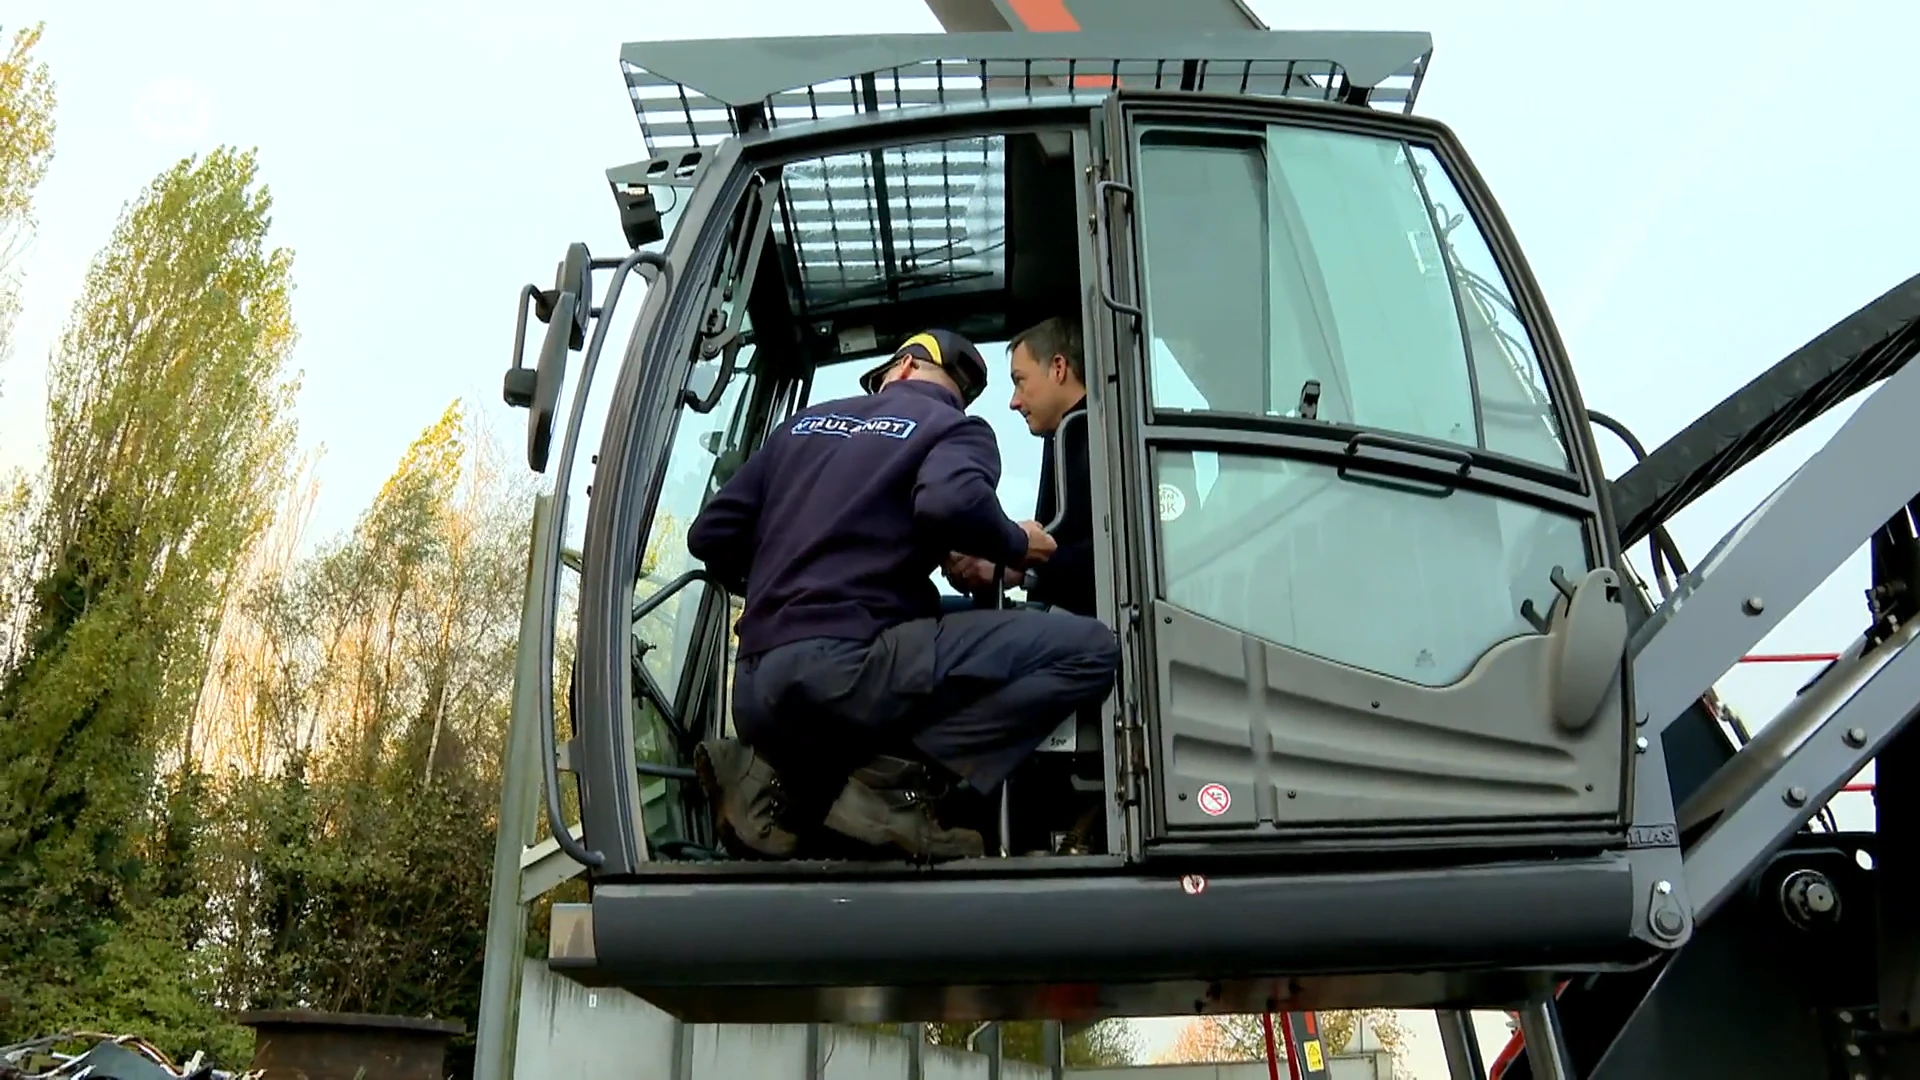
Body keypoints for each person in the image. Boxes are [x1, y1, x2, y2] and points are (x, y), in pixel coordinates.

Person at [685, 329, 1121, 863]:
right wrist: (1014, 545)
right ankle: (900, 794)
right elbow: (948, 502)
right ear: (920, 374)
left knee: (938, 622)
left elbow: (709, 535)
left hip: (754, 688)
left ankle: (774, 784)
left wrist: (788, 589)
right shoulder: (954, 427)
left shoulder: (800, 426)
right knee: (1092, 650)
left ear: (901, 370)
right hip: (846, 674)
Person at [943, 316, 1095, 617]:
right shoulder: (1066, 435)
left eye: (1019, 381)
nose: (1014, 401)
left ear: (1059, 368)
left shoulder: (1103, 439)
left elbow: (1120, 562)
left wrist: (1020, 565)